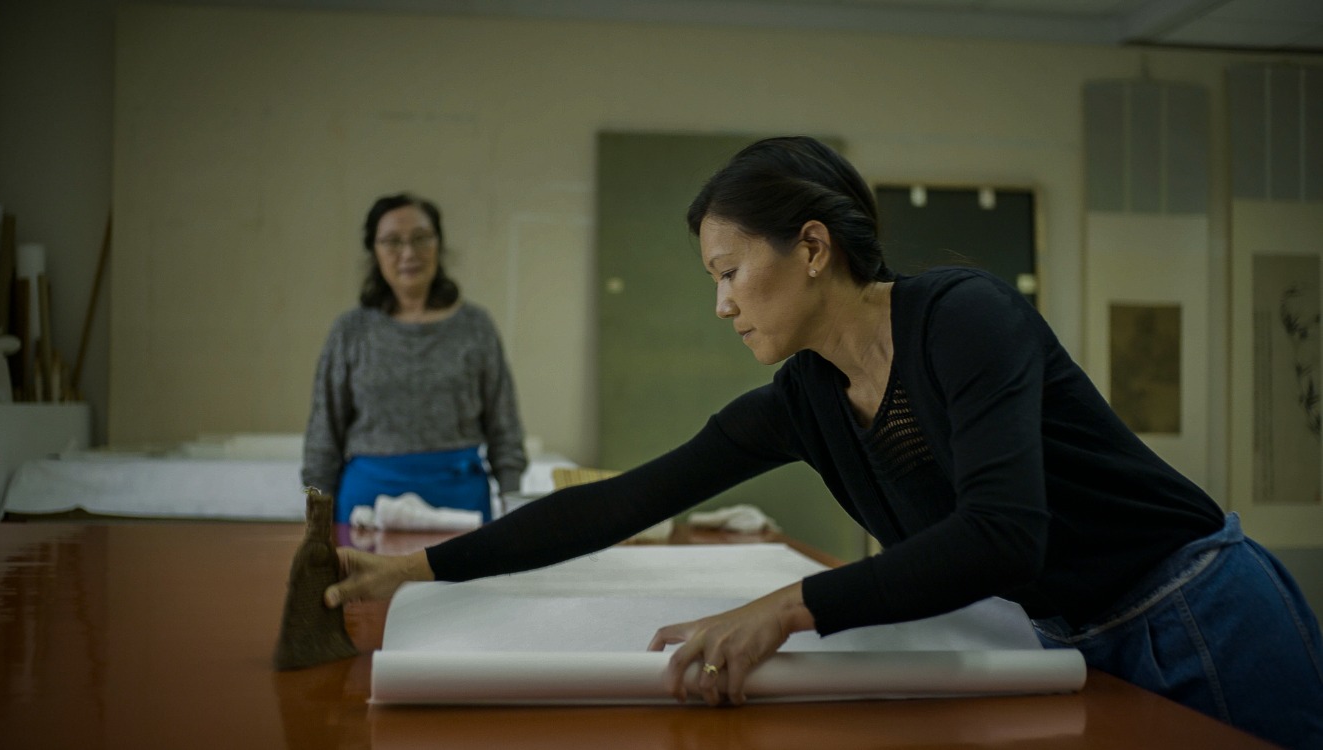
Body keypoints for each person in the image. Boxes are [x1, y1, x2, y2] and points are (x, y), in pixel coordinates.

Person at [322, 140, 1322, 748]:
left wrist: (786, 608)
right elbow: (624, 500)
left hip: (1195, 612)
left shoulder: (965, 320)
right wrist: (416, 571)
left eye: (728, 272)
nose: (718, 304)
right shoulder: (804, 400)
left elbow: (1004, 533)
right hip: (1070, 645)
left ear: (810, 247)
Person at [302, 193, 527, 524]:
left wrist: (512, 510)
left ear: (438, 244)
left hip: (459, 504)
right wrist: (316, 518)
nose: (408, 253)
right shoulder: (351, 331)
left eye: (421, 239)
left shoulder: (475, 327)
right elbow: (323, 437)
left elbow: (505, 429)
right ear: (374, 251)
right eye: (392, 242)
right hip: (367, 507)